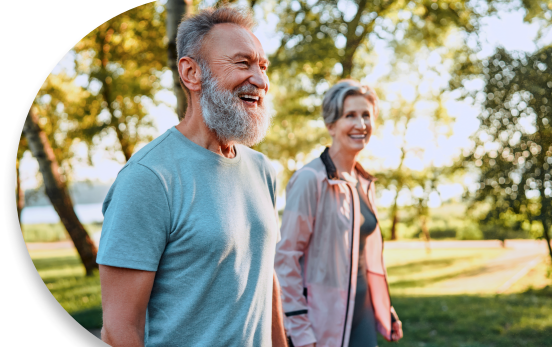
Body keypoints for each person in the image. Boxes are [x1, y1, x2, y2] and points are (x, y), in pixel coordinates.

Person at [97, 7, 287, 347]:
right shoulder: (148, 178)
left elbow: (263, 275)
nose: (260, 79)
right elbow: (118, 331)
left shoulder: (262, 169)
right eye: (243, 63)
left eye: (263, 66)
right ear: (191, 72)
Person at [274, 80, 403, 347]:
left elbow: (365, 257)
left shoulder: (364, 182)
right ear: (331, 125)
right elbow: (285, 259)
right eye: (350, 115)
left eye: (366, 115)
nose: (361, 124)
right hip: (323, 321)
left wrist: (384, 307)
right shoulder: (310, 179)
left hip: (363, 314)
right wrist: (299, 330)